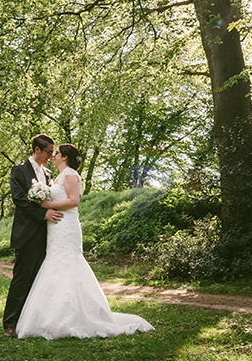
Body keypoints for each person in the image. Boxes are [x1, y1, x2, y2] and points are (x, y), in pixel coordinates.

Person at [15, 143, 154, 340]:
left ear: (64, 157)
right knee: (54, 265)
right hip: (55, 228)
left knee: (68, 264)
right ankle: (50, 315)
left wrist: (48, 205)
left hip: (66, 226)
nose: (53, 155)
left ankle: (74, 315)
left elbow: (74, 201)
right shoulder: (58, 177)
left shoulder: (71, 174)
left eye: (56, 153)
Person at [2, 134, 63, 337]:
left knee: (39, 280)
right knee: (21, 279)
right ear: (37, 149)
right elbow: (18, 198)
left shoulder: (47, 173)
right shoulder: (19, 170)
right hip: (26, 233)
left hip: (46, 235)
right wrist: (42, 213)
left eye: (52, 153)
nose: (51, 156)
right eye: (48, 152)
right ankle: (10, 324)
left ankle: (31, 322)